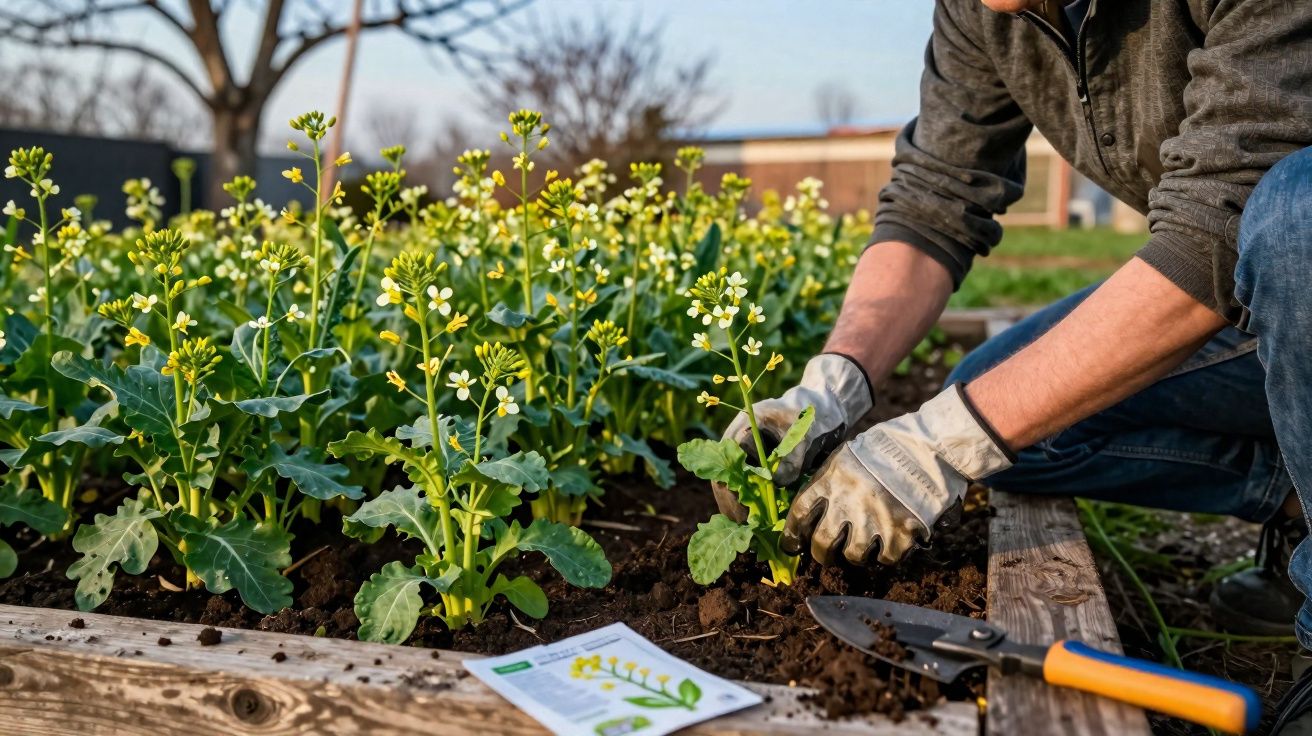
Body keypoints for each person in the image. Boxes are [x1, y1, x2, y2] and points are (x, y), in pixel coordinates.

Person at [712, 0, 1312, 728]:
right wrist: (829, 388)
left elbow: (1218, 228)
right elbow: (935, 200)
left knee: (1296, 217)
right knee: (1014, 420)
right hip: (1263, 295)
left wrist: (941, 441)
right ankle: (1298, 500)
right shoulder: (983, 11)